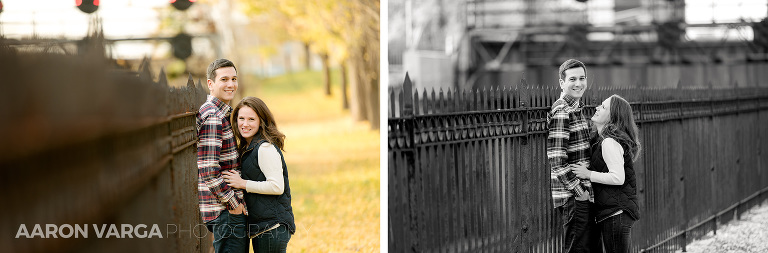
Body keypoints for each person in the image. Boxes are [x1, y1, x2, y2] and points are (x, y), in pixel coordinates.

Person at [222, 96, 296, 253]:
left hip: (272, 227)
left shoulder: (264, 148)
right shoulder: (249, 147)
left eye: (251, 119)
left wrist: (242, 183)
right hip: (263, 227)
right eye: (241, 118)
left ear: (261, 121)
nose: (245, 124)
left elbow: (276, 187)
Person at [573, 95, 641, 253]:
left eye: (603, 107)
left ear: (613, 117)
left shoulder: (609, 142)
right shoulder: (601, 140)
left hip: (616, 213)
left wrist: (588, 174)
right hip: (613, 212)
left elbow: (617, 178)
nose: (597, 108)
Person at [546, 59, 599, 253]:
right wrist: (579, 192)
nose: (578, 83)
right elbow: (556, 159)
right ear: (562, 83)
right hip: (573, 196)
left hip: (583, 194)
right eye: (573, 79)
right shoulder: (562, 111)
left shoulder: (577, 109)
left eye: (582, 78)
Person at [196, 58, 249, 253]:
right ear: (211, 84)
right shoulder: (214, 117)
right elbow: (208, 169)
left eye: (234, 79)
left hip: (224, 210)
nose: (231, 84)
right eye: (224, 79)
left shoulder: (221, 113)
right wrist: (233, 204)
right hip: (224, 211)